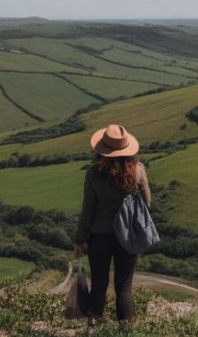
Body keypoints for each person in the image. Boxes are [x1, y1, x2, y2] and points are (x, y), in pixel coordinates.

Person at [73, 124, 152, 324]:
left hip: (99, 236)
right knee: (124, 287)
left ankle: (95, 324)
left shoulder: (93, 174)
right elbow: (147, 203)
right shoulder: (138, 171)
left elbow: (88, 210)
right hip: (129, 236)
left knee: (99, 283)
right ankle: (126, 329)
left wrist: (79, 240)